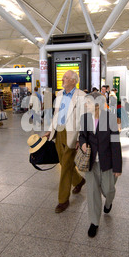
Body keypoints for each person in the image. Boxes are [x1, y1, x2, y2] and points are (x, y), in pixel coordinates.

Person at [79, 91, 122, 238]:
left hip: (107, 162)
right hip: (91, 163)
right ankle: (94, 222)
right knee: (92, 193)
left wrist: (117, 166)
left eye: (88, 102)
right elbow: (82, 135)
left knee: (109, 190)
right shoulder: (84, 118)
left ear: (97, 105)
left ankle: (108, 203)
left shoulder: (109, 119)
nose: (86, 105)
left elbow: (115, 143)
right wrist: (83, 143)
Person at [43, 70, 86, 213]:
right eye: (64, 77)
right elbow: (56, 114)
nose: (63, 79)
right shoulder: (60, 94)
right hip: (59, 132)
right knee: (62, 162)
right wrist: (50, 130)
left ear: (74, 81)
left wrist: (81, 138)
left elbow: (84, 119)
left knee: (66, 166)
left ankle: (63, 200)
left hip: (72, 134)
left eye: (66, 77)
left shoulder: (82, 96)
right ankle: (79, 180)